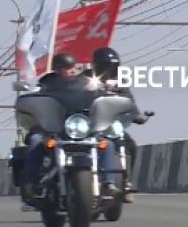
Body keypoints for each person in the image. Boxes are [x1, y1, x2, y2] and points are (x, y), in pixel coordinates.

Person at [20, 52, 123, 203]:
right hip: (53, 128)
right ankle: (32, 184)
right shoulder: (46, 84)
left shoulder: (86, 83)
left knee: (107, 144)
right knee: (36, 141)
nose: (72, 70)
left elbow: (99, 95)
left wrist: (108, 92)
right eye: (67, 68)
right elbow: (37, 100)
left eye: (73, 67)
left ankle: (109, 183)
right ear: (58, 70)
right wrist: (30, 97)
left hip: (81, 127)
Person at [81, 47, 150, 203]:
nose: (109, 70)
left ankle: (126, 181)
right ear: (97, 65)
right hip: (89, 126)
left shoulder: (120, 81)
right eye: (105, 66)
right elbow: (74, 98)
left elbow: (129, 101)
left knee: (130, 144)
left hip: (110, 125)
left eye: (112, 66)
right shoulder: (84, 79)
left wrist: (137, 115)